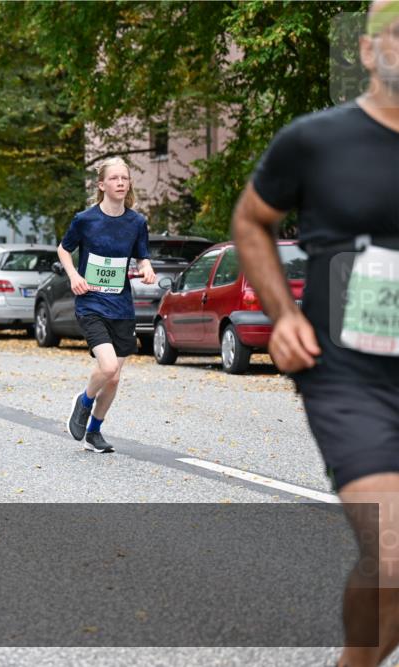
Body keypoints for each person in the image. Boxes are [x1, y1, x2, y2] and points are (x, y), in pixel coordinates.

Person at [232, 3, 399, 664]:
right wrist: (285, 313)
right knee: (391, 547)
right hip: (346, 372)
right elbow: (250, 222)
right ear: (366, 51)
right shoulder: (316, 139)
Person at [61, 157, 155, 453]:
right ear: (101, 185)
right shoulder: (85, 220)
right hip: (91, 303)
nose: (120, 183)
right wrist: (74, 275)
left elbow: (142, 255)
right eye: (114, 178)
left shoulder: (136, 222)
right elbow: (64, 250)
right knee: (108, 365)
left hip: (121, 306)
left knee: (114, 379)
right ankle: (84, 401)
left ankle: (95, 432)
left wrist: (148, 268)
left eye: (124, 179)